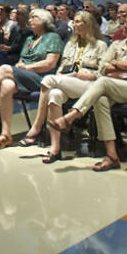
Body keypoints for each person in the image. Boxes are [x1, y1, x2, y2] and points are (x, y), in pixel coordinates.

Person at [46, 11, 127, 171]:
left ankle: (71, 116)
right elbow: (104, 67)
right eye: (124, 23)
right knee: (100, 99)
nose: (124, 26)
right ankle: (112, 155)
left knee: (103, 82)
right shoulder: (116, 44)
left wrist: (117, 66)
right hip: (116, 84)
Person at [0, 8, 62, 149]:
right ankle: (6, 134)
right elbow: (21, 61)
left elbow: (50, 63)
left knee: (3, 68)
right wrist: (21, 66)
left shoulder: (53, 37)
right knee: (7, 85)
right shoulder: (30, 39)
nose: (30, 20)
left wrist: (28, 67)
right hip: (25, 76)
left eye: (34, 17)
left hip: (43, 78)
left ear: (44, 21)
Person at [25, 10, 107, 163]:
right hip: (69, 81)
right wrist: (62, 74)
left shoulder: (100, 45)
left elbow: (103, 74)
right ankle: (55, 148)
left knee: (49, 79)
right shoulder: (70, 44)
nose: (73, 25)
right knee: (54, 94)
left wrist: (88, 75)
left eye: (77, 21)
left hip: (89, 84)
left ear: (87, 24)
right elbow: (63, 66)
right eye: (74, 21)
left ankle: (37, 126)